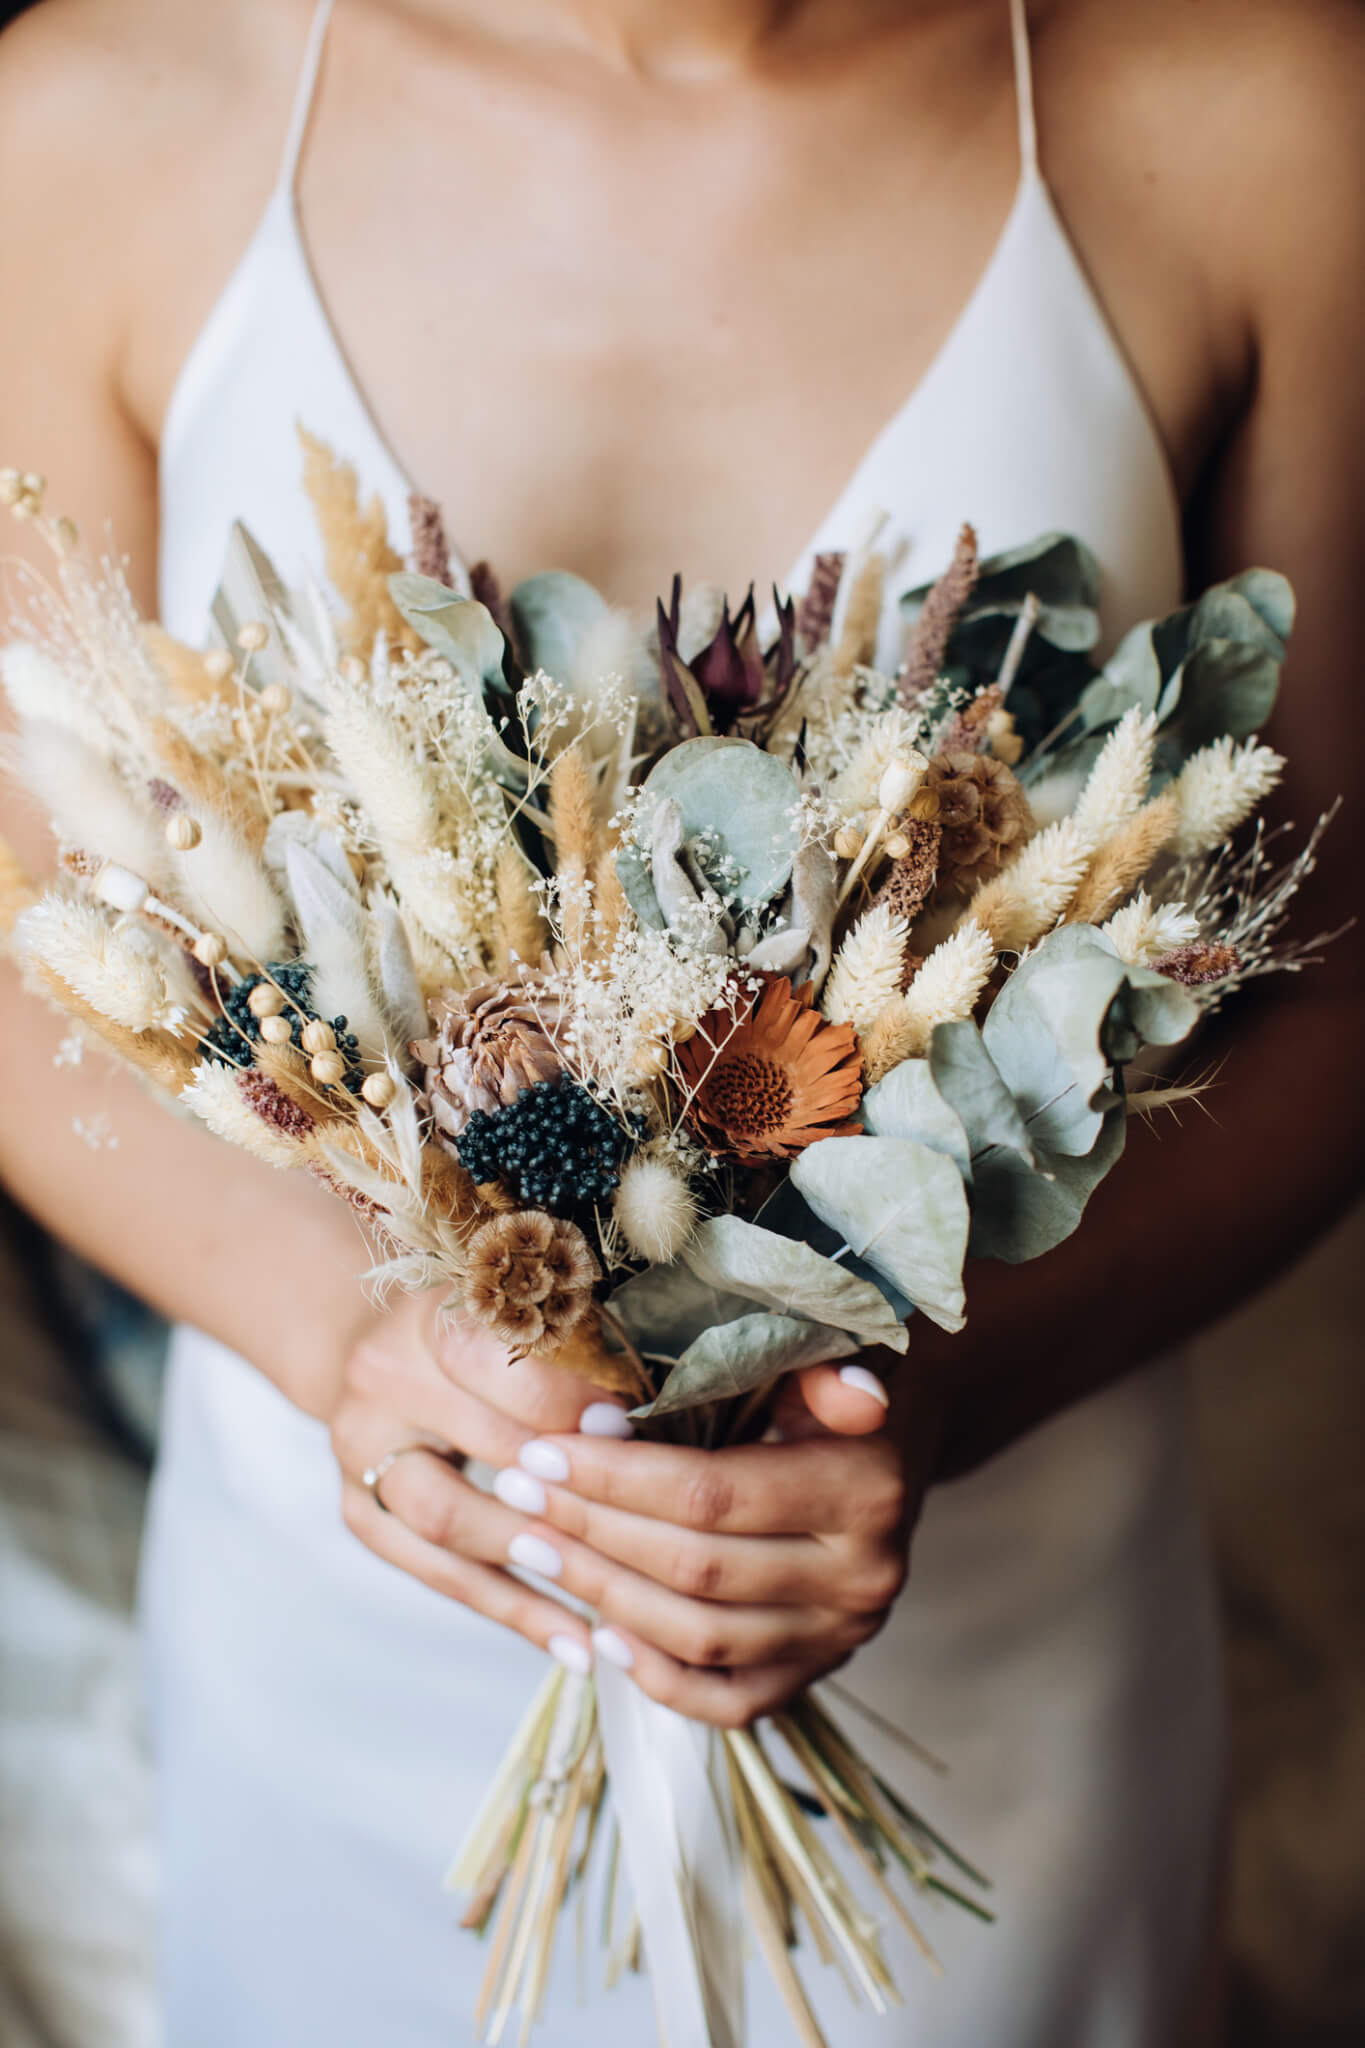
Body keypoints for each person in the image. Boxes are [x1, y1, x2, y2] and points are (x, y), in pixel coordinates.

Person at [0, 0, 1361, 2041]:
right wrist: (358, 1340)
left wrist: (931, 1403)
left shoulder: (1248, 108)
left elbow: (1330, 979)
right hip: (362, 1616)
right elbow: (29, 961)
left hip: (991, 1640)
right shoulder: (105, 116)